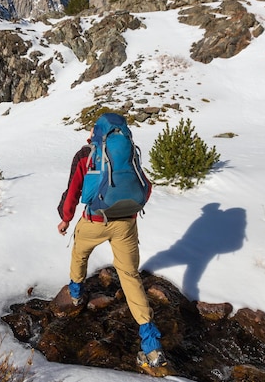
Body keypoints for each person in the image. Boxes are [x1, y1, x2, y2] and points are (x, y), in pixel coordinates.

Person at [56, 117, 167, 368]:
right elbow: (145, 186)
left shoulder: (86, 154)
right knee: (129, 275)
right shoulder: (128, 151)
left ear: (96, 132)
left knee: (79, 253)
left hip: (95, 221)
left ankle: (76, 293)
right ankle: (151, 344)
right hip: (126, 222)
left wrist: (65, 219)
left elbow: (72, 191)